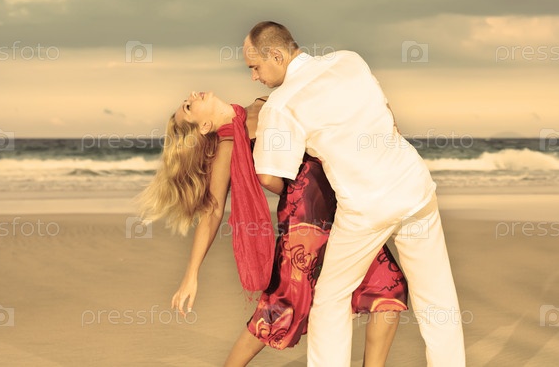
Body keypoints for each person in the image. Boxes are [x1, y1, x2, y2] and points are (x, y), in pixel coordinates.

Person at [245, 22, 466, 366]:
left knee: (330, 300)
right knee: (437, 299)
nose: (254, 77)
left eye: (255, 67)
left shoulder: (281, 104)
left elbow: (271, 177)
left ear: (276, 54)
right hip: (414, 185)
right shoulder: (349, 60)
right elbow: (389, 117)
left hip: (367, 206)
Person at [137, 91, 408, 367]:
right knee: (278, 311)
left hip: (341, 206)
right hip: (303, 226)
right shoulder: (229, 145)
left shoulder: (264, 102)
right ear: (205, 126)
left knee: (388, 288)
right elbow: (213, 210)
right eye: (188, 106)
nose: (192, 96)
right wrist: (191, 274)